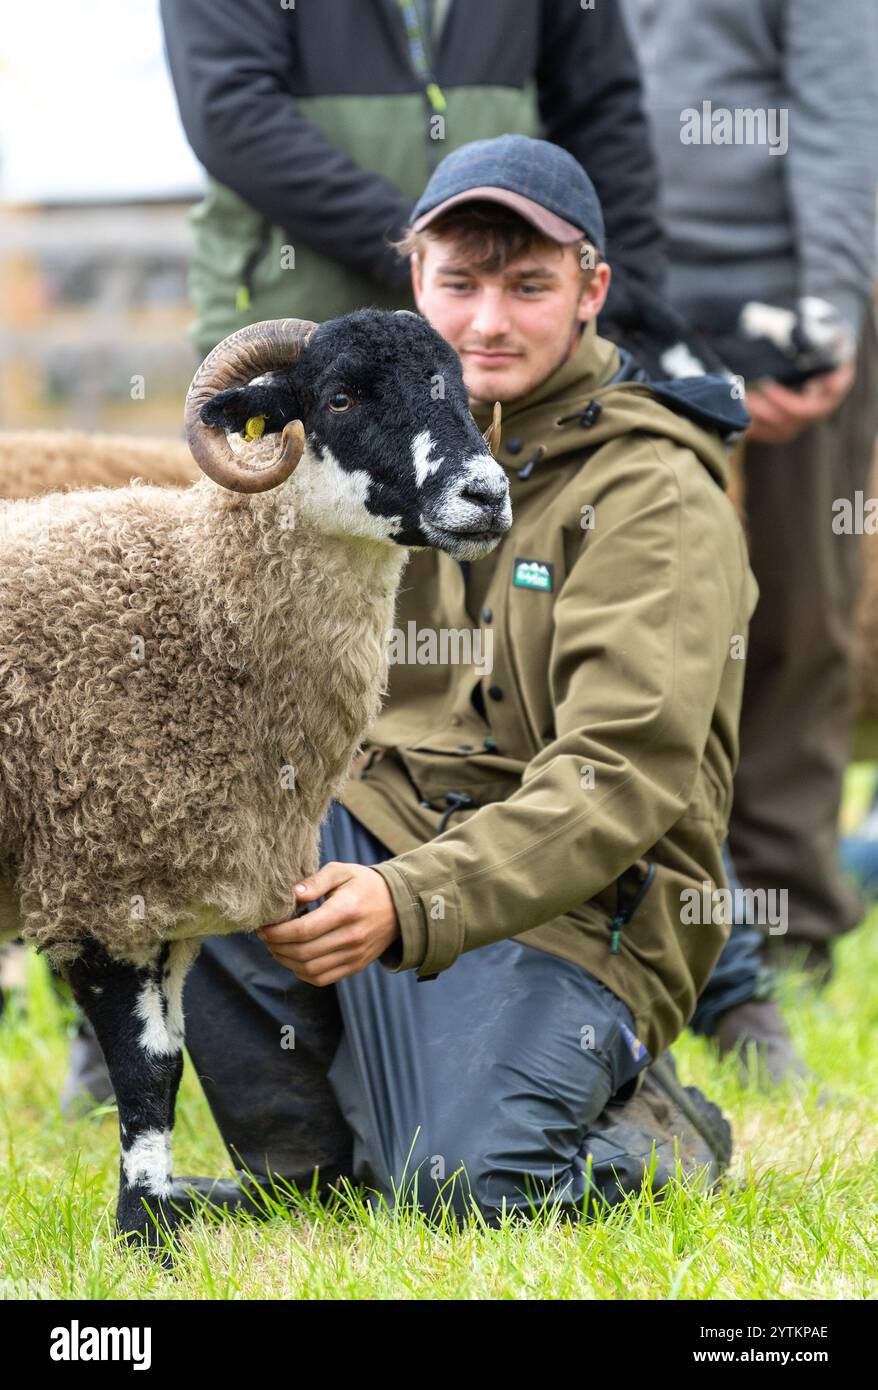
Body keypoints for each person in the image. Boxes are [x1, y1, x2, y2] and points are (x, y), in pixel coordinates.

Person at [173, 135, 757, 1225]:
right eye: (460, 283)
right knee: (211, 829)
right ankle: (305, 1172)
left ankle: (656, 1128)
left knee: (471, 1191)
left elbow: (621, 772)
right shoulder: (359, 448)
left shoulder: (652, 494)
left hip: (582, 908)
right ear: (414, 285)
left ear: (592, 292)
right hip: (389, 841)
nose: (487, 321)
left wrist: (406, 899)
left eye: (528, 285)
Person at [623, 0, 878, 989]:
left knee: (798, 606)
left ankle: (787, 921)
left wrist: (825, 313)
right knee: (635, 602)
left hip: (779, 293)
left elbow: (839, 110)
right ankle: (641, 909)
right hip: (632, 289)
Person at [159, 0, 666, 358]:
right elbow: (230, 115)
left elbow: (603, 111)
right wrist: (430, 250)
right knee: (273, 514)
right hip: (296, 331)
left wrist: (631, 300)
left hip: (501, 344)